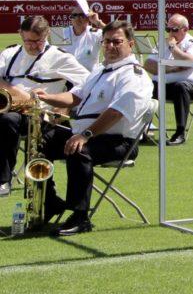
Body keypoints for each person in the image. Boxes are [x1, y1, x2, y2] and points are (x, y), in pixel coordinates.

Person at [32, 20, 154, 236]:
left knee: (80, 150)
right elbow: (75, 96)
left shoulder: (134, 75)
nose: (110, 46)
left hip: (117, 140)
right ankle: (49, 202)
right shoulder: (100, 69)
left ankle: (80, 216)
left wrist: (85, 135)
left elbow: (116, 112)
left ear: (131, 44)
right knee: (41, 138)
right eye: (106, 42)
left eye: (117, 41)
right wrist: (46, 98)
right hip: (87, 133)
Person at [0, 16, 89, 197]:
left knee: (8, 120)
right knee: (7, 119)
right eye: (28, 41)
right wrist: (17, 93)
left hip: (39, 116)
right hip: (10, 108)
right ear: (20, 34)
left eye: (37, 41)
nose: (32, 46)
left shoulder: (60, 58)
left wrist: (61, 103)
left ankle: (3, 180)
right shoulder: (9, 54)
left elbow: (89, 83)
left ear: (47, 35)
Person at [144, 14, 193, 145]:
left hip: (189, 88)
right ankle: (140, 131)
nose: (171, 33)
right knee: (141, 86)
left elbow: (189, 63)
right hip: (162, 85)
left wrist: (173, 47)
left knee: (180, 87)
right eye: (168, 29)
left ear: (185, 29)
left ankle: (180, 133)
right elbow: (148, 64)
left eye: (175, 30)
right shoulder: (162, 43)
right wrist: (171, 69)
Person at [57, 7, 106, 72]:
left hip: (87, 77)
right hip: (66, 76)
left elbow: (115, 34)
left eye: (81, 15)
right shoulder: (61, 32)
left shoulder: (95, 34)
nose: (77, 18)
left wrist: (98, 22)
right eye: (74, 15)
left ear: (88, 18)